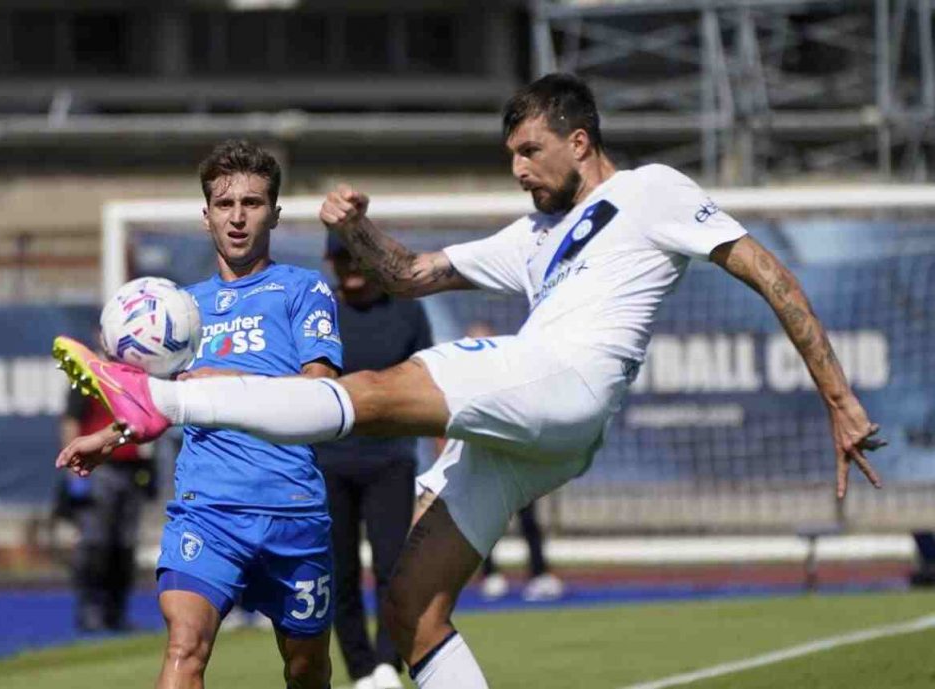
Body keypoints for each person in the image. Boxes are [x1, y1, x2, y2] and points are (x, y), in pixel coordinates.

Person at [53, 74, 886, 689]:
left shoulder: (650, 191)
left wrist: (840, 398)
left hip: (560, 376)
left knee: (372, 395)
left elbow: (767, 270)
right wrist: (360, 229)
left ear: (580, 140)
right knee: (411, 606)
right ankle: (162, 400)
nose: (519, 168)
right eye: (511, 155)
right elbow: (413, 273)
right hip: (549, 435)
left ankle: (160, 396)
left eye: (530, 151)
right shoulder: (535, 236)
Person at [63, 140, 344, 689]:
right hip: (207, 511)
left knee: (307, 669)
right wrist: (111, 438)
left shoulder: (303, 290)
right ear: (206, 216)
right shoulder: (178, 311)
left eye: (253, 203)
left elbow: (324, 391)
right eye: (224, 204)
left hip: (292, 511)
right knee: (185, 648)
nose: (238, 217)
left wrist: (232, 384)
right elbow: (163, 401)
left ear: (275, 214)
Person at [317, 231, 434, 689]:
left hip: (390, 459)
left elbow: (429, 376)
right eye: (338, 258)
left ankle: (388, 661)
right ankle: (360, 669)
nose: (347, 267)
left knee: (392, 566)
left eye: (355, 258)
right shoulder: (318, 312)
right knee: (339, 571)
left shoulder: (405, 309)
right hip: (329, 461)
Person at [457, 321, 564, 603]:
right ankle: (490, 574)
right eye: (471, 342)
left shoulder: (513, 377)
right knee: (485, 520)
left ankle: (539, 573)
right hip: (482, 458)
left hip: (516, 458)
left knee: (528, 519)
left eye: (483, 341)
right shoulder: (462, 381)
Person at [56, 344, 156, 633]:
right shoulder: (89, 377)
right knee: (95, 544)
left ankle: (117, 612)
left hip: (132, 471)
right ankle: (91, 612)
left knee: (124, 546)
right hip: (99, 471)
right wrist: (74, 474)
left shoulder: (138, 376)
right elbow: (71, 422)